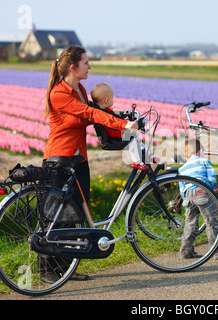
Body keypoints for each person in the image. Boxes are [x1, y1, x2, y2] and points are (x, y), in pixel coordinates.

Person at [42, 45, 137, 282]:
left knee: (75, 216)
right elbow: (90, 113)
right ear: (74, 67)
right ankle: (47, 270)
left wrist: (121, 116)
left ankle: (65, 268)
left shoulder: (81, 89)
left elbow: (96, 111)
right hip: (60, 159)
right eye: (86, 63)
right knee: (55, 215)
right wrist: (123, 126)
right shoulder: (59, 94)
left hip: (79, 159)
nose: (90, 66)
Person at [90, 82, 158, 171]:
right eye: (112, 98)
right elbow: (110, 117)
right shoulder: (102, 113)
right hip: (113, 133)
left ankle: (149, 155)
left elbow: (112, 111)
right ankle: (136, 162)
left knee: (136, 136)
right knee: (133, 138)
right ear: (106, 100)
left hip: (112, 131)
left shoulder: (101, 109)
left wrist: (122, 113)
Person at [178, 139, 218, 260]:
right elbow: (212, 181)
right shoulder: (204, 162)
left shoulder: (182, 168)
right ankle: (217, 252)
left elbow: (182, 188)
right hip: (203, 193)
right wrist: (213, 196)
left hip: (188, 197)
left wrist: (185, 202)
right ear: (201, 151)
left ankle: (186, 252)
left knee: (190, 224)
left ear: (185, 155)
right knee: (211, 223)